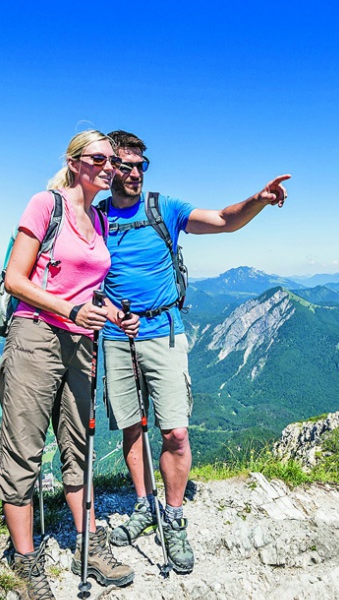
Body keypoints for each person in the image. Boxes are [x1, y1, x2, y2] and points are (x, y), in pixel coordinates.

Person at [99, 129, 289, 574]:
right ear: (110, 168)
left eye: (141, 166)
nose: (134, 174)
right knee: (130, 429)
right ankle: (145, 507)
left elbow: (223, 219)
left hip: (163, 331)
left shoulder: (163, 208)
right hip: (114, 336)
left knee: (175, 433)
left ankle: (174, 515)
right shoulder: (95, 217)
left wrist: (258, 200)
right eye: (125, 165)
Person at [0, 130, 139, 599]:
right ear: (75, 162)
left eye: (112, 160)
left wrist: (114, 313)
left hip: (81, 343)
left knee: (80, 446)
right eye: (98, 158)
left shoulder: (99, 218)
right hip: (36, 335)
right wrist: (67, 309)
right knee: (24, 447)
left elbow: (87, 289)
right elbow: (16, 279)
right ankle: (25, 558)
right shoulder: (45, 204)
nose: (108, 166)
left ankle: (88, 546)